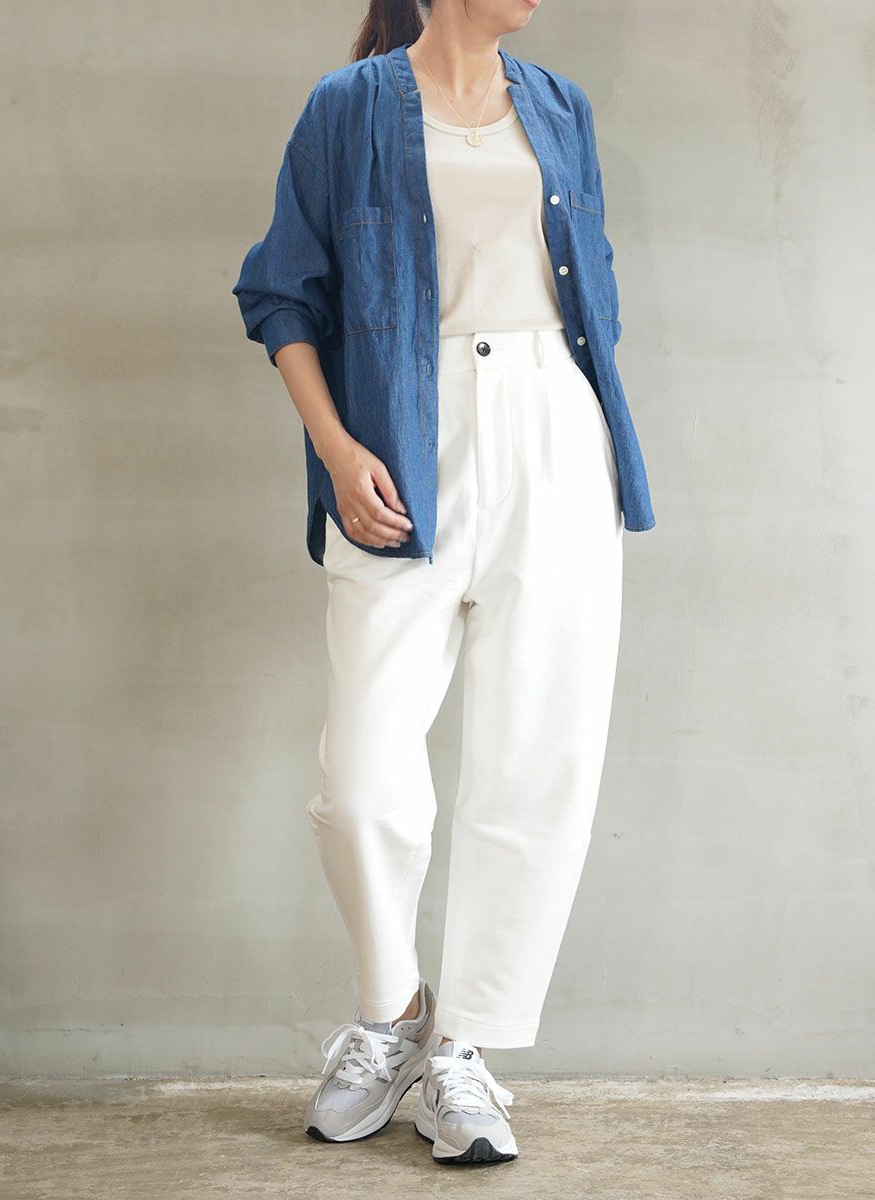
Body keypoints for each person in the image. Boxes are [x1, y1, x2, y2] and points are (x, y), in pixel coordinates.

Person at [232, 0, 655, 1168]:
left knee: (536, 759)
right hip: (400, 440)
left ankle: (463, 1049)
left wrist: (555, 418)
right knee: (363, 781)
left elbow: (591, 282)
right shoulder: (346, 109)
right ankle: (393, 1012)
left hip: (554, 437)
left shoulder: (559, 106)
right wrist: (336, 446)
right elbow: (281, 293)